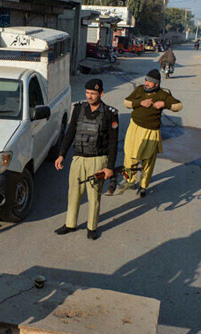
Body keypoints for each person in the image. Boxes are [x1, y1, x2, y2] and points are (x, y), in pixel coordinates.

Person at [54, 79, 118, 240]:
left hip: (98, 160)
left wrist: (109, 167)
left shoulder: (110, 114)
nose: (90, 96)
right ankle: (70, 223)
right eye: (88, 93)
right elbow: (70, 133)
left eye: (93, 94)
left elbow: (113, 142)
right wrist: (61, 154)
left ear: (101, 94)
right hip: (78, 158)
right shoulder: (78, 109)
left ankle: (92, 227)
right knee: (73, 192)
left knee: (94, 195)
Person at [119, 69, 182, 197]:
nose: (147, 83)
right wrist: (139, 103)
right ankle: (130, 180)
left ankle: (143, 186)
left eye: (150, 82)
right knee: (130, 156)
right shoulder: (139, 90)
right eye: (146, 80)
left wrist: (164, 104)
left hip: (151, 131)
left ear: (157, 84)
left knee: (148, 161)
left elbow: (178, 105)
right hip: (134, 128)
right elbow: (126, 102)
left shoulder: (163, 94)